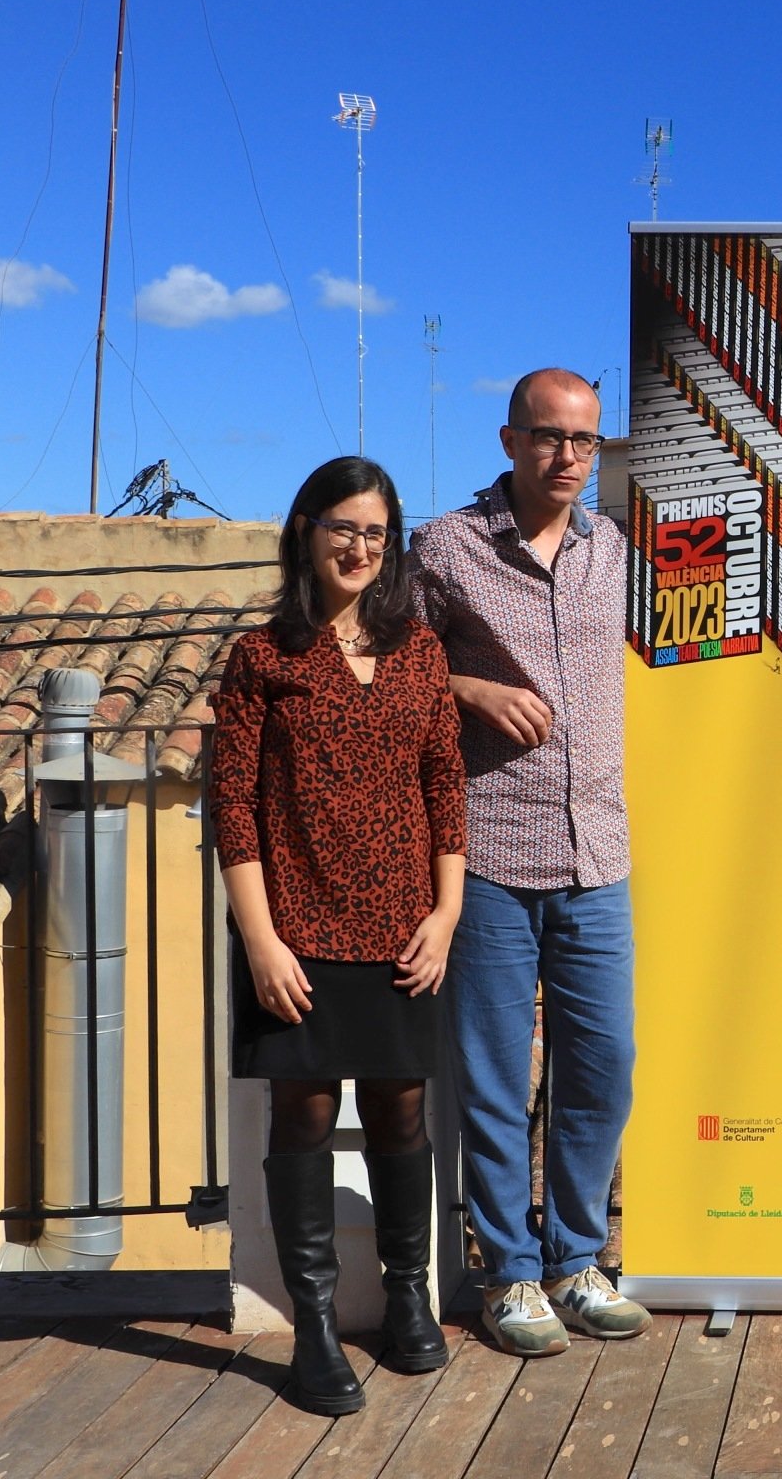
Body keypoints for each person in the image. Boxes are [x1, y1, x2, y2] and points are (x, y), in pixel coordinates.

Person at [212, 455, 466, 1416]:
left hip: (407, 930)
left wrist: (445, 916)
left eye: (376, 531)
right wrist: (261, 942)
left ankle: (409, 1299)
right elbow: (232, 805)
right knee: (305, 1118)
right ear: (308, 532)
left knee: (401, 1113)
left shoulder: (421, 651)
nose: (360, 547)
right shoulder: (263, 656)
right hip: (298, 929)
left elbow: (446, 784)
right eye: (343, 527)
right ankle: (313, 1328)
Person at [409, 368, 650, 1357]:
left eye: (584, 441)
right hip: (493, 851)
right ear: (509, 440)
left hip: (598, 852)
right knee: (497, 1076)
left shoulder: (615, 552)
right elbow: (385, 659)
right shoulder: (448, 547)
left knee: (605, 1067)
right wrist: (465, 684)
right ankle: (509, 1272)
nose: (567, 457)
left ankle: (576, 1259)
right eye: (548, 437)